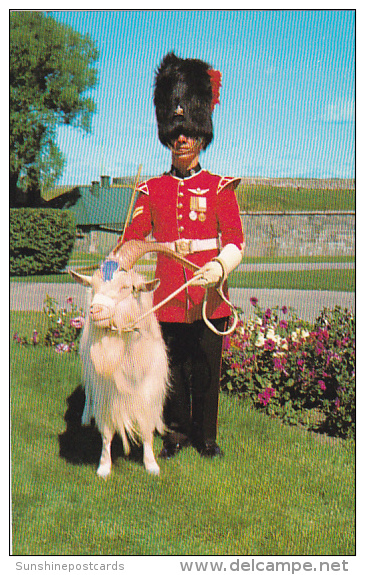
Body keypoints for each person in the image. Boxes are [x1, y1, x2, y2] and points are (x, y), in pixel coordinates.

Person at [121, 52, 245, 458]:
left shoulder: (219, 187)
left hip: (210, 294)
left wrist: (219, 266)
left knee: (207, 370)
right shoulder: (151, 190)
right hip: (170, 296)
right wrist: (113, 265)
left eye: (188, 132)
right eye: (175, 133)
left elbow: (236, 242)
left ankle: (205, 436)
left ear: (201, 135)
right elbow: (135, 240)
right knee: (172, 368)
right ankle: (174, 431)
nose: (181, 140)